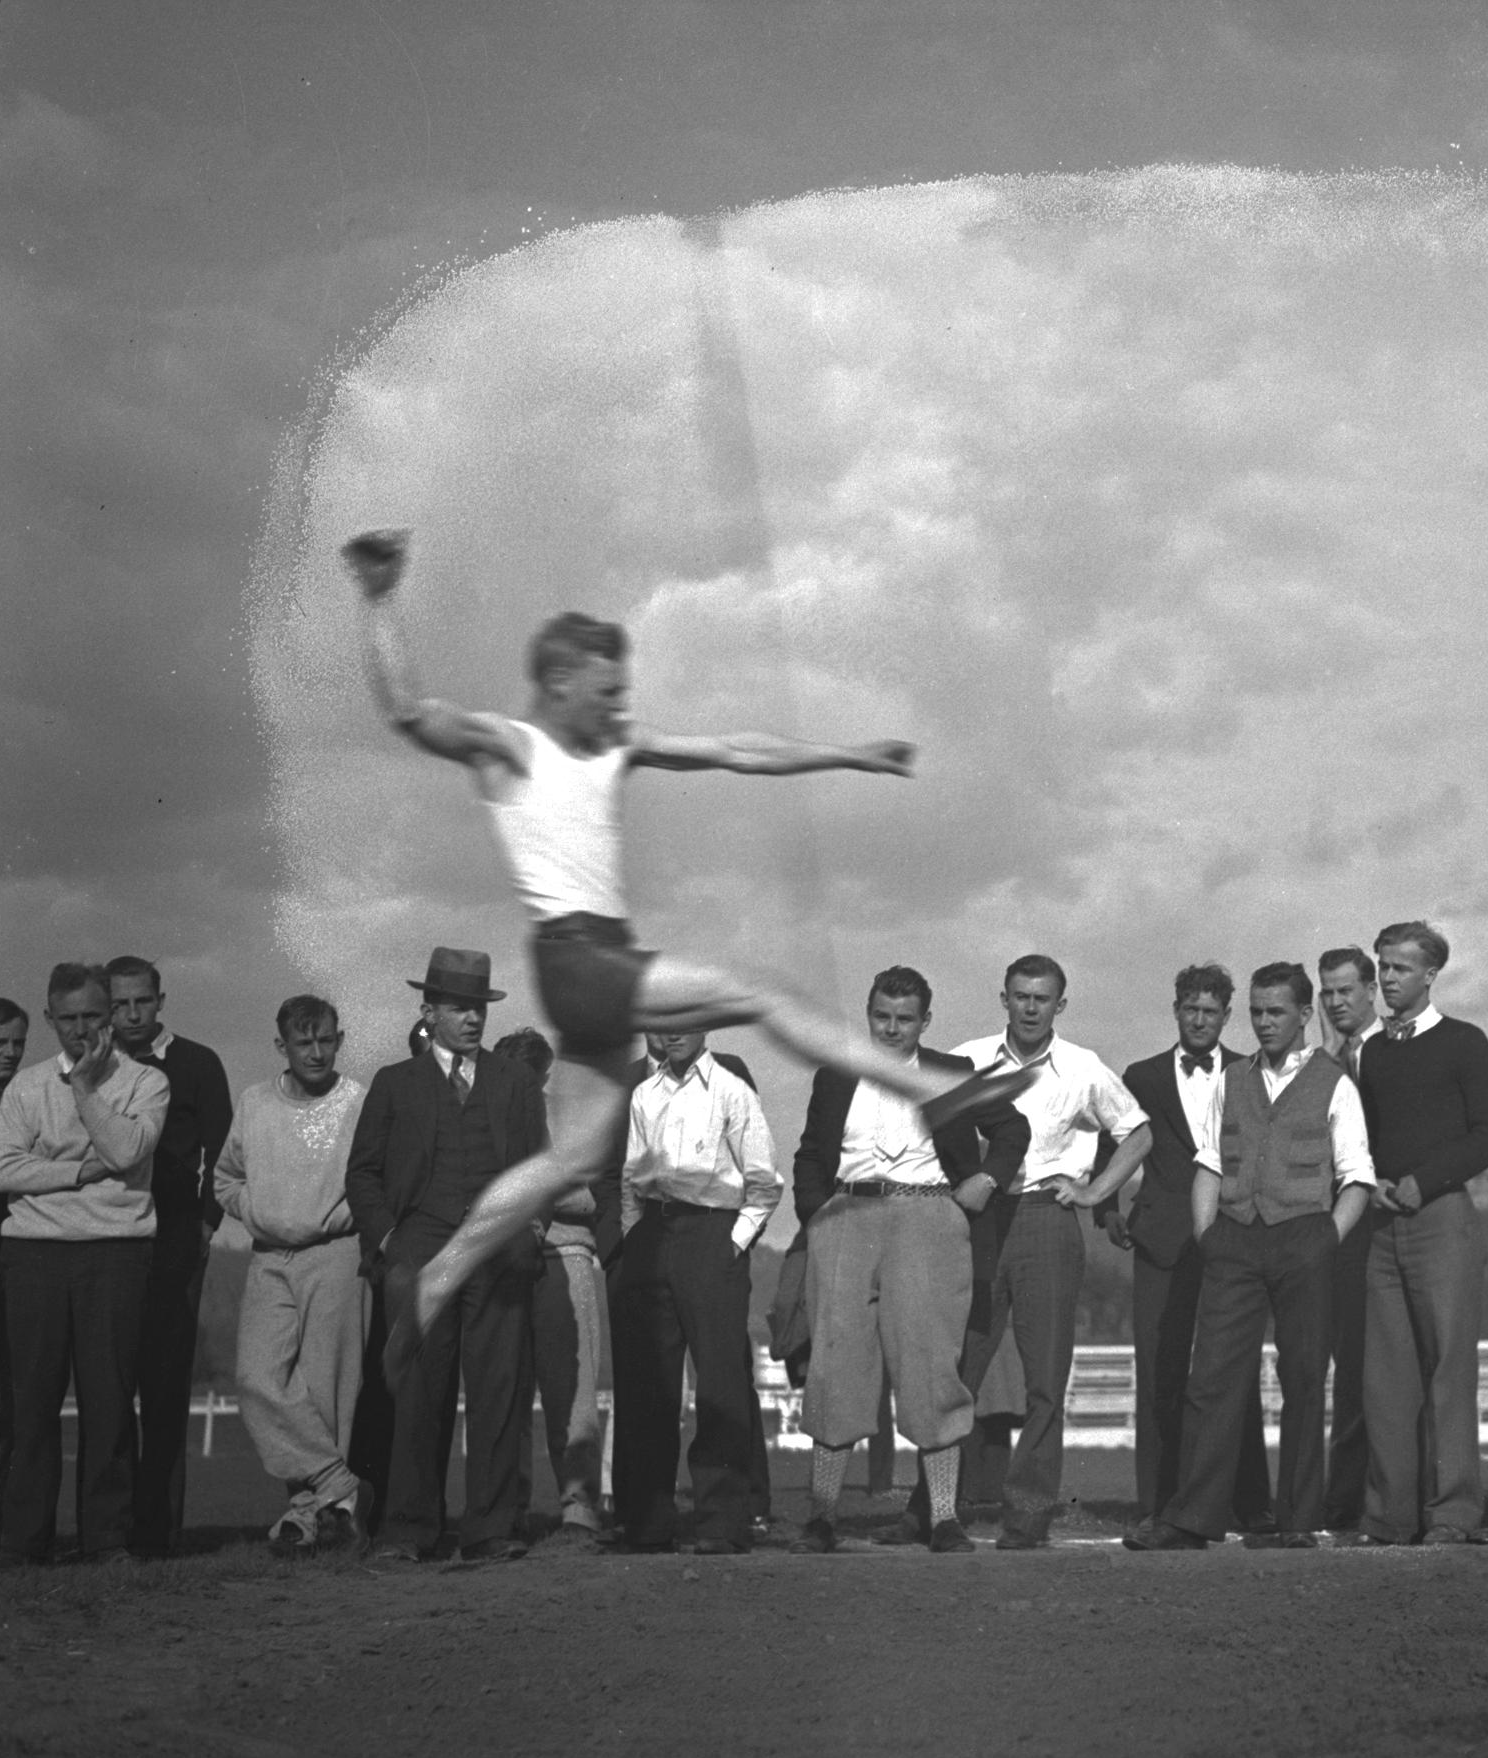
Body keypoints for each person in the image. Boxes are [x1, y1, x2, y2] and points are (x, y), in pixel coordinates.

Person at [339, 533, 1023, 1384]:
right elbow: (409, 713)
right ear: (560, 682)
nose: (619, 705)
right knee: (757, 990)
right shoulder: (512, 747)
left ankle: (430, 1282)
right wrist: (378, 598)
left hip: (587, 974)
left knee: (568, 1160)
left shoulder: (611, 745)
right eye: (606, 691)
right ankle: (932, 1088)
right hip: (582, 957)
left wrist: (846, 754)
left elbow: (735, 750)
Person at [1125, 964, 1373, 1551]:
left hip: (1304, 1240)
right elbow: (1209, 1163)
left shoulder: (1335, 1083)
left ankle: (1296, 1521)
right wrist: (1207, 1233)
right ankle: (1191, 1519)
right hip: (1234, 1240)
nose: (1264, 1022)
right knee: (1210, 1378)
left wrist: (1325, 1239)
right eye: (1258, 1011)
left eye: (1276, 1012)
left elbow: (1357, 1176)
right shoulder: (1232, 1079)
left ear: (1304, 1014)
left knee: (1304, 1379)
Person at [790, 967, 1028, 1555]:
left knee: (929, 1364)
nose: (891, 1029)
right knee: (835, 1365)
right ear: (868, 1014)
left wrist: (984, 1182)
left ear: (925, 1021)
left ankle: (944, 1519)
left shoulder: (952, 1073)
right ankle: (822, 1517)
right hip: (848, 1217)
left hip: (927, 1218)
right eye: (881, 1017)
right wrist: (818, 1215)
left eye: (904, 1019)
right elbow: (811, 1153)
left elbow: (1012, 1130)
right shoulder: (836, 1074)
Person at [345, 948, 547, 1564]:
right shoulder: (394, 1084)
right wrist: (391, 1243)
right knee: (417, 1395)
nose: (473, 1018)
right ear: (429, 1011)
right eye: (460, 1007)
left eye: (479, 1007)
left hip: (498, 1255)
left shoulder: (514, 1083)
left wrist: (531, 1230)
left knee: (497, 1392)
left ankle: (490, 1529)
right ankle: (408, 1530)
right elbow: (363, 1174)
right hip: (422, 1253)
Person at [946, 955, 1153, 1548]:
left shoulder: (1083, 1067)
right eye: (1021, 996)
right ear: (1004, 999)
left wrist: (1094, 1192)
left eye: (1042, 999)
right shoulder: (968, 1060)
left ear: (1060, 1005)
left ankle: (1028, 1516)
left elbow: (1138, 1133)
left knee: (1044, 1379)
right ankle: (933, 1509)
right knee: (959, 1370)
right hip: (982, 1221)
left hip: (1047, 1219)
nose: (1030, 1008)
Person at [0, 963, 168, 1564]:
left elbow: (125, 1149)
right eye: (67, 1018)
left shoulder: (146, 1082)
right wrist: (76, 1171)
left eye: (93, 1015)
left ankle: (107, 1540)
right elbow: (0, 1167)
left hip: (116, 1252)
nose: (80, 1029)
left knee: (109, 1402)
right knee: (32, 1404)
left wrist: (88, 1091)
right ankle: (23, 1542)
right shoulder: (26, 1087)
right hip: (34, 1254)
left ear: (111, 1015)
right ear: (49, 1019)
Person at [1103, 965, 1272, 1529]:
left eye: (1210, 1012)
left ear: (1226, 1016)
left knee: (1235, 1369)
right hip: (1160, 1239)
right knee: (1160, 1369)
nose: (1199, 1020)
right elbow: (1113, 1141)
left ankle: (1249, 1503)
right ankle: (1157, 1503)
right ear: (1176, 1010)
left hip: (1233, 1237)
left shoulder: (1250, 1072)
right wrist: (1107, 1207)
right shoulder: (1143, 1075)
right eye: (1191, 1009)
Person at [1351, 922, 1488, 1546]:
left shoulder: (1465, 1042)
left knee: (1448, 1373)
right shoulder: (1372, 1052)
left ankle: (1453, 1515)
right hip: (1382, 1223)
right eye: (1383, 967)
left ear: (1431, 975)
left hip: (1443, 1221)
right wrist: (1372, 1182)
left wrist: (1425, 1182)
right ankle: (1390, 1517)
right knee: (1386, 1380)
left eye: (1401, 968)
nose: (1387, 979)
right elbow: (1362, 1135)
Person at [612, 1028, 783, 1554]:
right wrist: (634, 1238)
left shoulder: (732, 1088)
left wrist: (732, 1242)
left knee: (720, 1386)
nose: (674, 1030)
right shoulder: (644, 1095)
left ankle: (721, 1522)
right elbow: (631, 1179)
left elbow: (764, 1182)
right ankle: (649, 1524)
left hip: (713, 1235)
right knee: (651, 1387)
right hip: (653, 1235)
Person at [219, 995, 373, 1556]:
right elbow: (226, 1178)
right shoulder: (255, 1101)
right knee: (258, 1377)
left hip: (336, 1252)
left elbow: (376, 1176)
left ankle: (312, 1515)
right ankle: (340, 1484)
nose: (315, 1052)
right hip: (268, 1256)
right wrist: (256, 1212)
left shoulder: (357, 1101)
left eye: (325, 1040)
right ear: (280, 1046)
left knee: (325, 1389)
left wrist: (341, 1216)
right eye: (302, 1042)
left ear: (340, 1039)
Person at [106, 955, 234, 1558]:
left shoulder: (197, 1063)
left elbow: (224, 1153)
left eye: (142, 1001)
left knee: (163, 1388)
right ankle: (109, 1530)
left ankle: (158, 1532)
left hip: (177, 1238)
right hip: (107, 1238)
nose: (132, 1014)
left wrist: (206, 1225)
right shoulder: (93, 1067)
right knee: (109, 1387)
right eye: (120, 1004)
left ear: (161, 1001)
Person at [492, 1027, 610, 1545]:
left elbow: (584, 1197)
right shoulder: (486, 1115)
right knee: (507, 1390)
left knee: (573, 1390)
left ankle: (579, 1505)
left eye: (532, 1077)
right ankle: (509, 1508)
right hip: (502, 1264)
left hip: (566, 1253)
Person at [1315, 946, 1385, 1531]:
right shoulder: (1318, 1063)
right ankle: (1344, 1497)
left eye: (1346, 991)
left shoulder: (1394, 1049)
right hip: (1343, 1231)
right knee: (1350, 1366)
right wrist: (1329, 1058)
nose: (1336, 1002)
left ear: (1371, 991)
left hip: (1395, 1222)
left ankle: (1398, 1492)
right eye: (1327, 993)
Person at [0, 996, 28, 1544]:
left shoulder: (26, 1097)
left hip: (17, 1258)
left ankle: (8, 1520)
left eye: (18, 1043)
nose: (9, 1052)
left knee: (18, 1395)